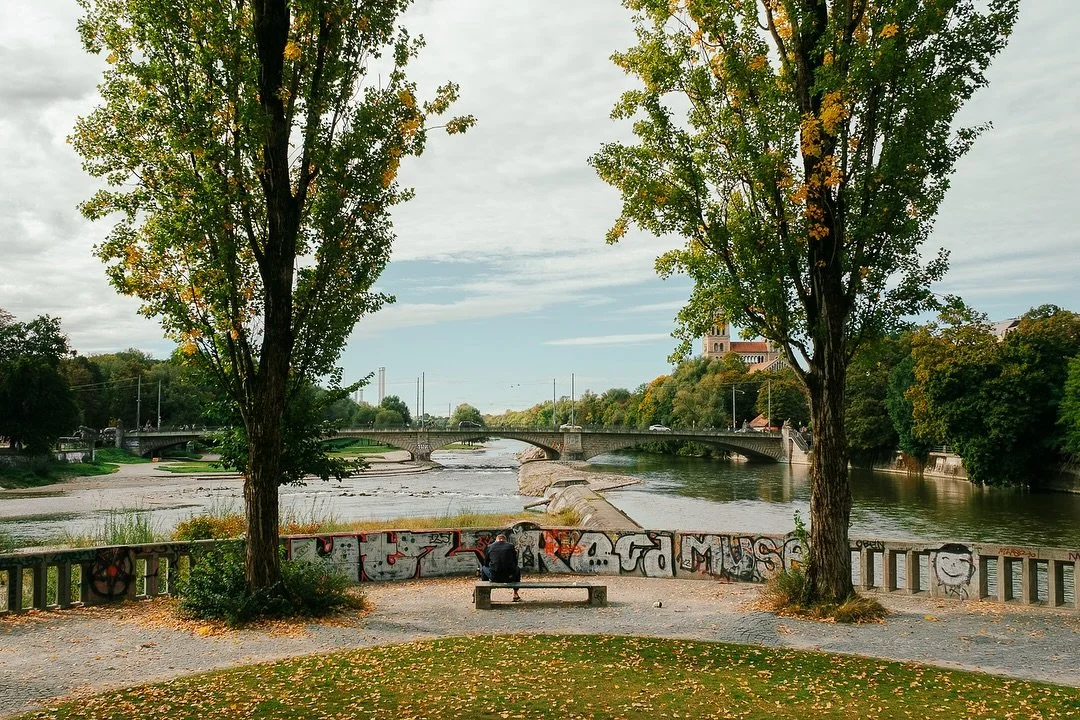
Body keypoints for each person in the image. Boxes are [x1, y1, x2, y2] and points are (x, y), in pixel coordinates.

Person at [480, 533, 522, 601]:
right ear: (505, 540)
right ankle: (515, 594)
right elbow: (515, 562)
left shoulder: (490, 546)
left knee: (484, 568)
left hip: (494, 577)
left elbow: (486, 563)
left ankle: (486, 593)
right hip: (509, 577)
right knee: (517, 569)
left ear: (496, 540)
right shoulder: (511, 546)